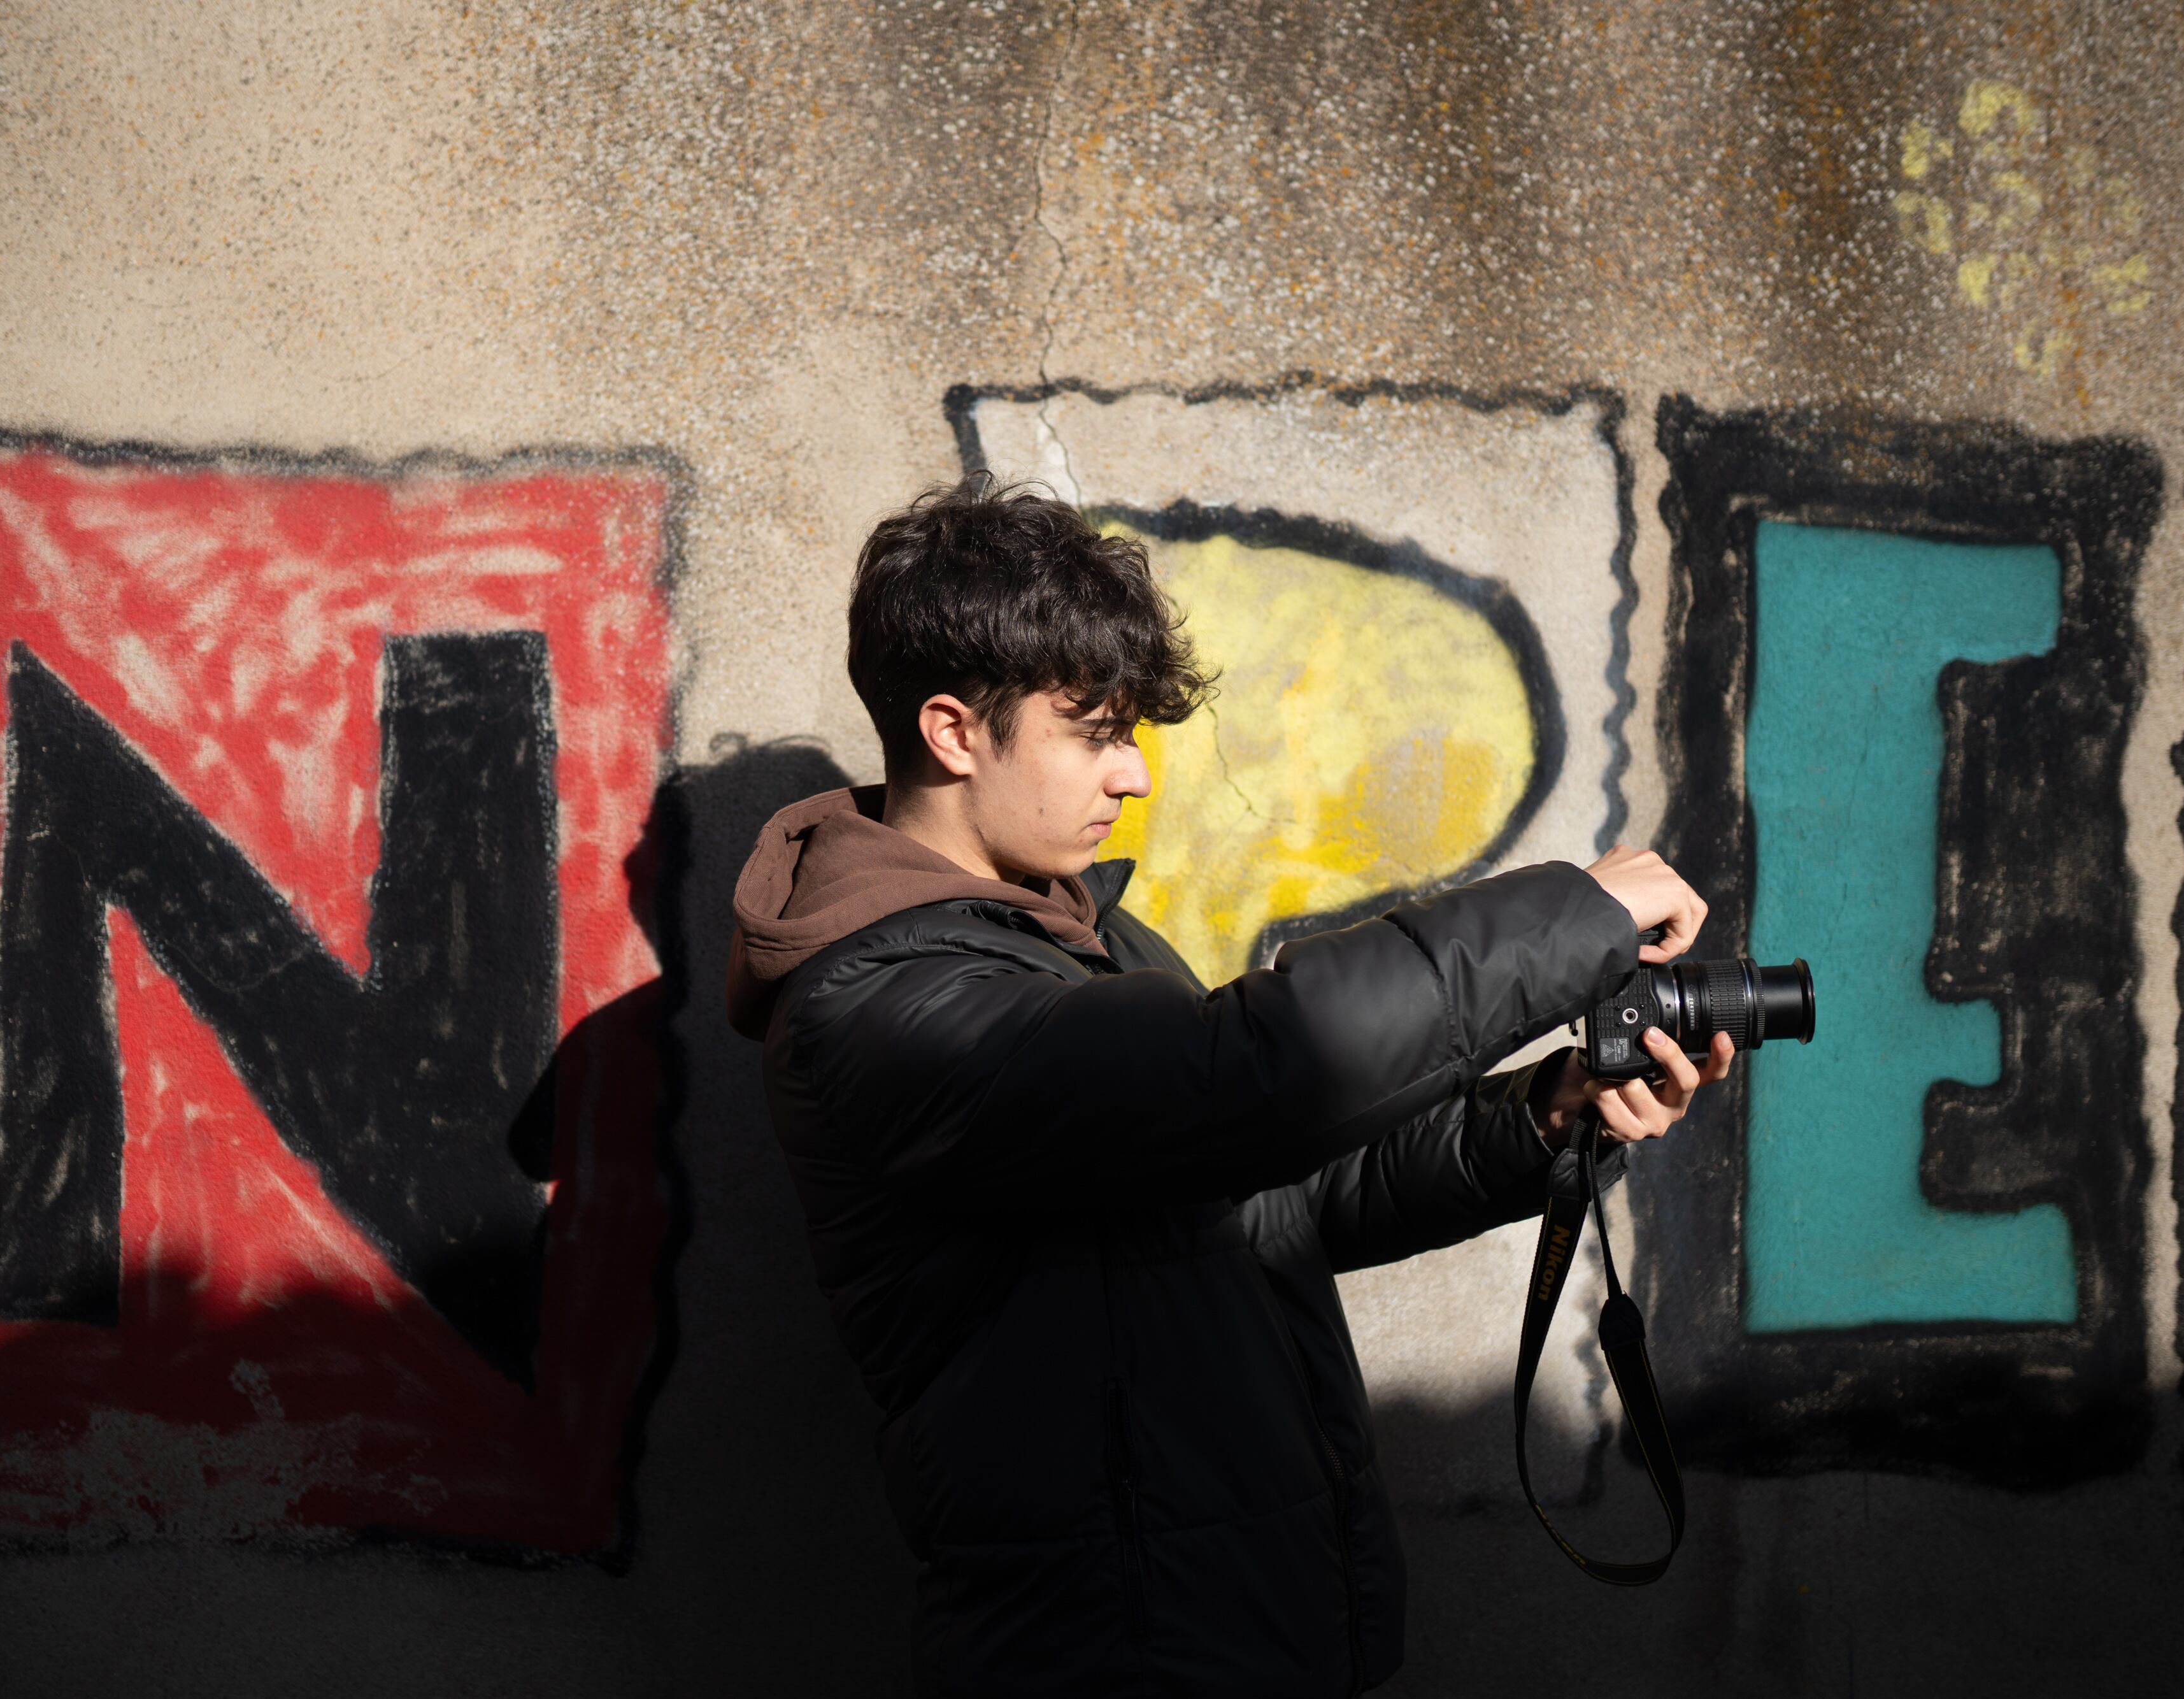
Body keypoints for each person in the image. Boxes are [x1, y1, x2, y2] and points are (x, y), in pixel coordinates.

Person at [726, 475, 1731, 1696]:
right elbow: (1239, 1085)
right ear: (952, 731)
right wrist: (1568, 918)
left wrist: (1544, 1121)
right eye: (1093, 731)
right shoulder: (879, 1007)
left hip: (1244, 1629)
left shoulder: (1089, 945)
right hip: (1111, 1656)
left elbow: (1284, 1197)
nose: (1134, 774)